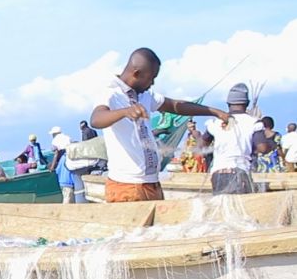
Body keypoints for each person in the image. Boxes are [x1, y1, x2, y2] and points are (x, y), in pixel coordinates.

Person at [89, 47, 229, 203]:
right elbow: (96, 119)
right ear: (136, 74)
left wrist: (214, 112)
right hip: (127, 186)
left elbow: (176, 106)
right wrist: (125, 111)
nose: (153, 83)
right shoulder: (110, 93)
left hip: (151, 183)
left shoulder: (145, 95)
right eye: (151, 78)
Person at [202, 83, 257, 195]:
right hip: (240, 170)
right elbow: (263, 147)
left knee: (221, 206)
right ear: (247, 103)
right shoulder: (253, 122)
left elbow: (202, 145)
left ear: (228, 103)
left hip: (218, 172)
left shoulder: (215, 123)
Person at [48, 126, 84, 203]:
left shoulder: (55, 141)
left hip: (65, 175)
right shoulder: (67, 138)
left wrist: (52, 167)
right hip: (73, 165)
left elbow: (56, 153)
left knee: (66, 196)